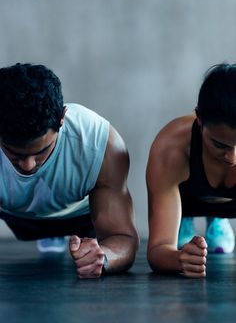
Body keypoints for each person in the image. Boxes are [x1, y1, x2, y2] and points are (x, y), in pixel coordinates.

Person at [0, 62, 139, 278]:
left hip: (80, 216)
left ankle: (55, 223)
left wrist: (103, 257)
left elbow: (123, 237)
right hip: (14, 213)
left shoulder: (100, 143)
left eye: (40, 152)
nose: (28, 166)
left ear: (62, 118)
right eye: (15, 154)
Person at [146, 63, 236, 278]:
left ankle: (216, 219)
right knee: (180, 240)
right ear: (200, 120)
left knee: (220, 242)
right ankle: (186, 219)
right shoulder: (172, 147)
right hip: (186, 201)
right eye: (220, 145)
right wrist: (180, 259)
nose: (232, 159)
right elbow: (158, 249)